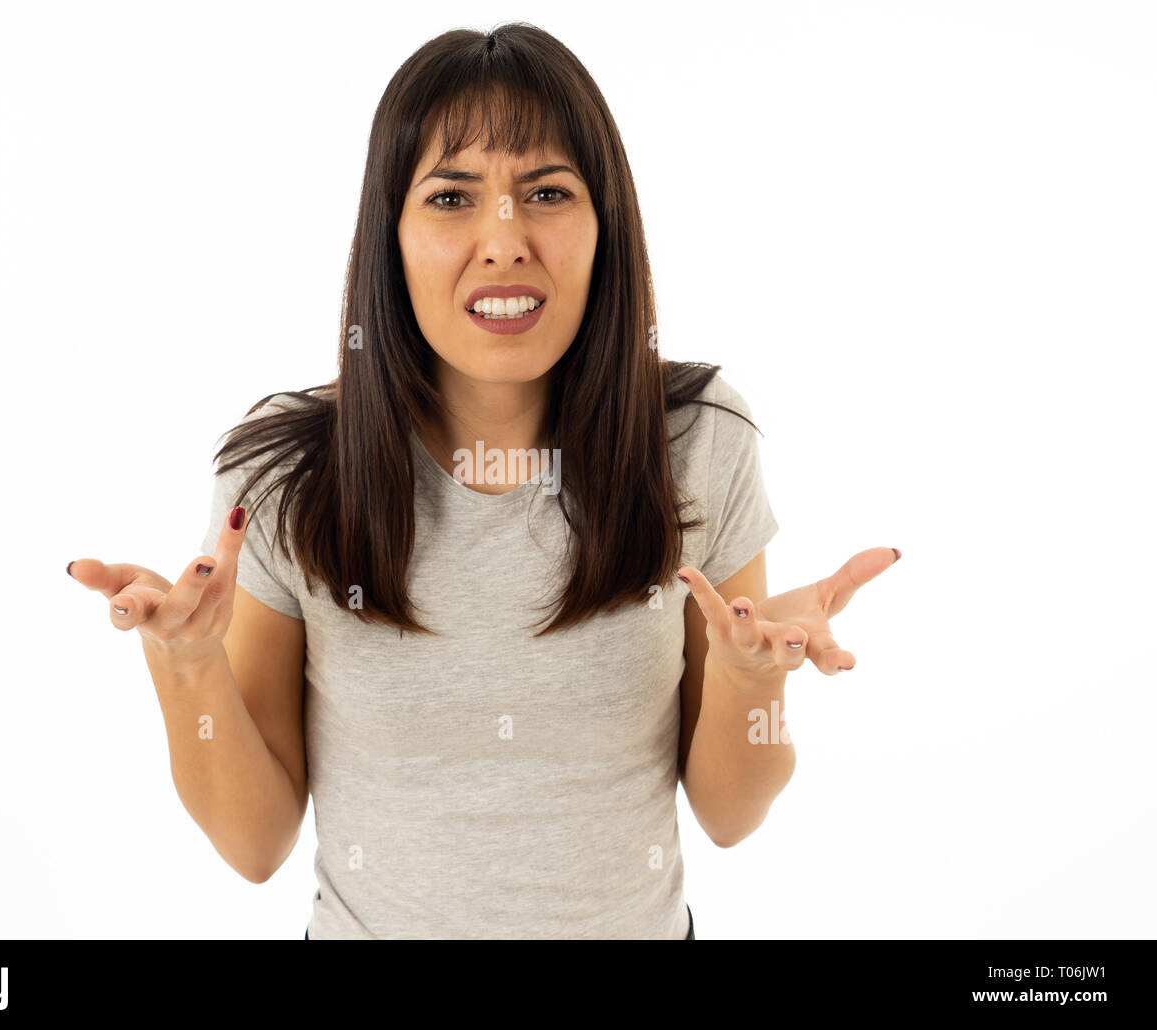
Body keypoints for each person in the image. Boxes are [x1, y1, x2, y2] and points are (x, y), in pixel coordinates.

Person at [68, 23, 899, 939]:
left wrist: (754, 683)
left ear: (605, 226)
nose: (503, 241)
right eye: (451, 196)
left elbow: (734, 817)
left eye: (546, 191)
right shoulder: (285, 475)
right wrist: (185, 669)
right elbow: (253, 843)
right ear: (390, 236)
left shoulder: (697, 442)